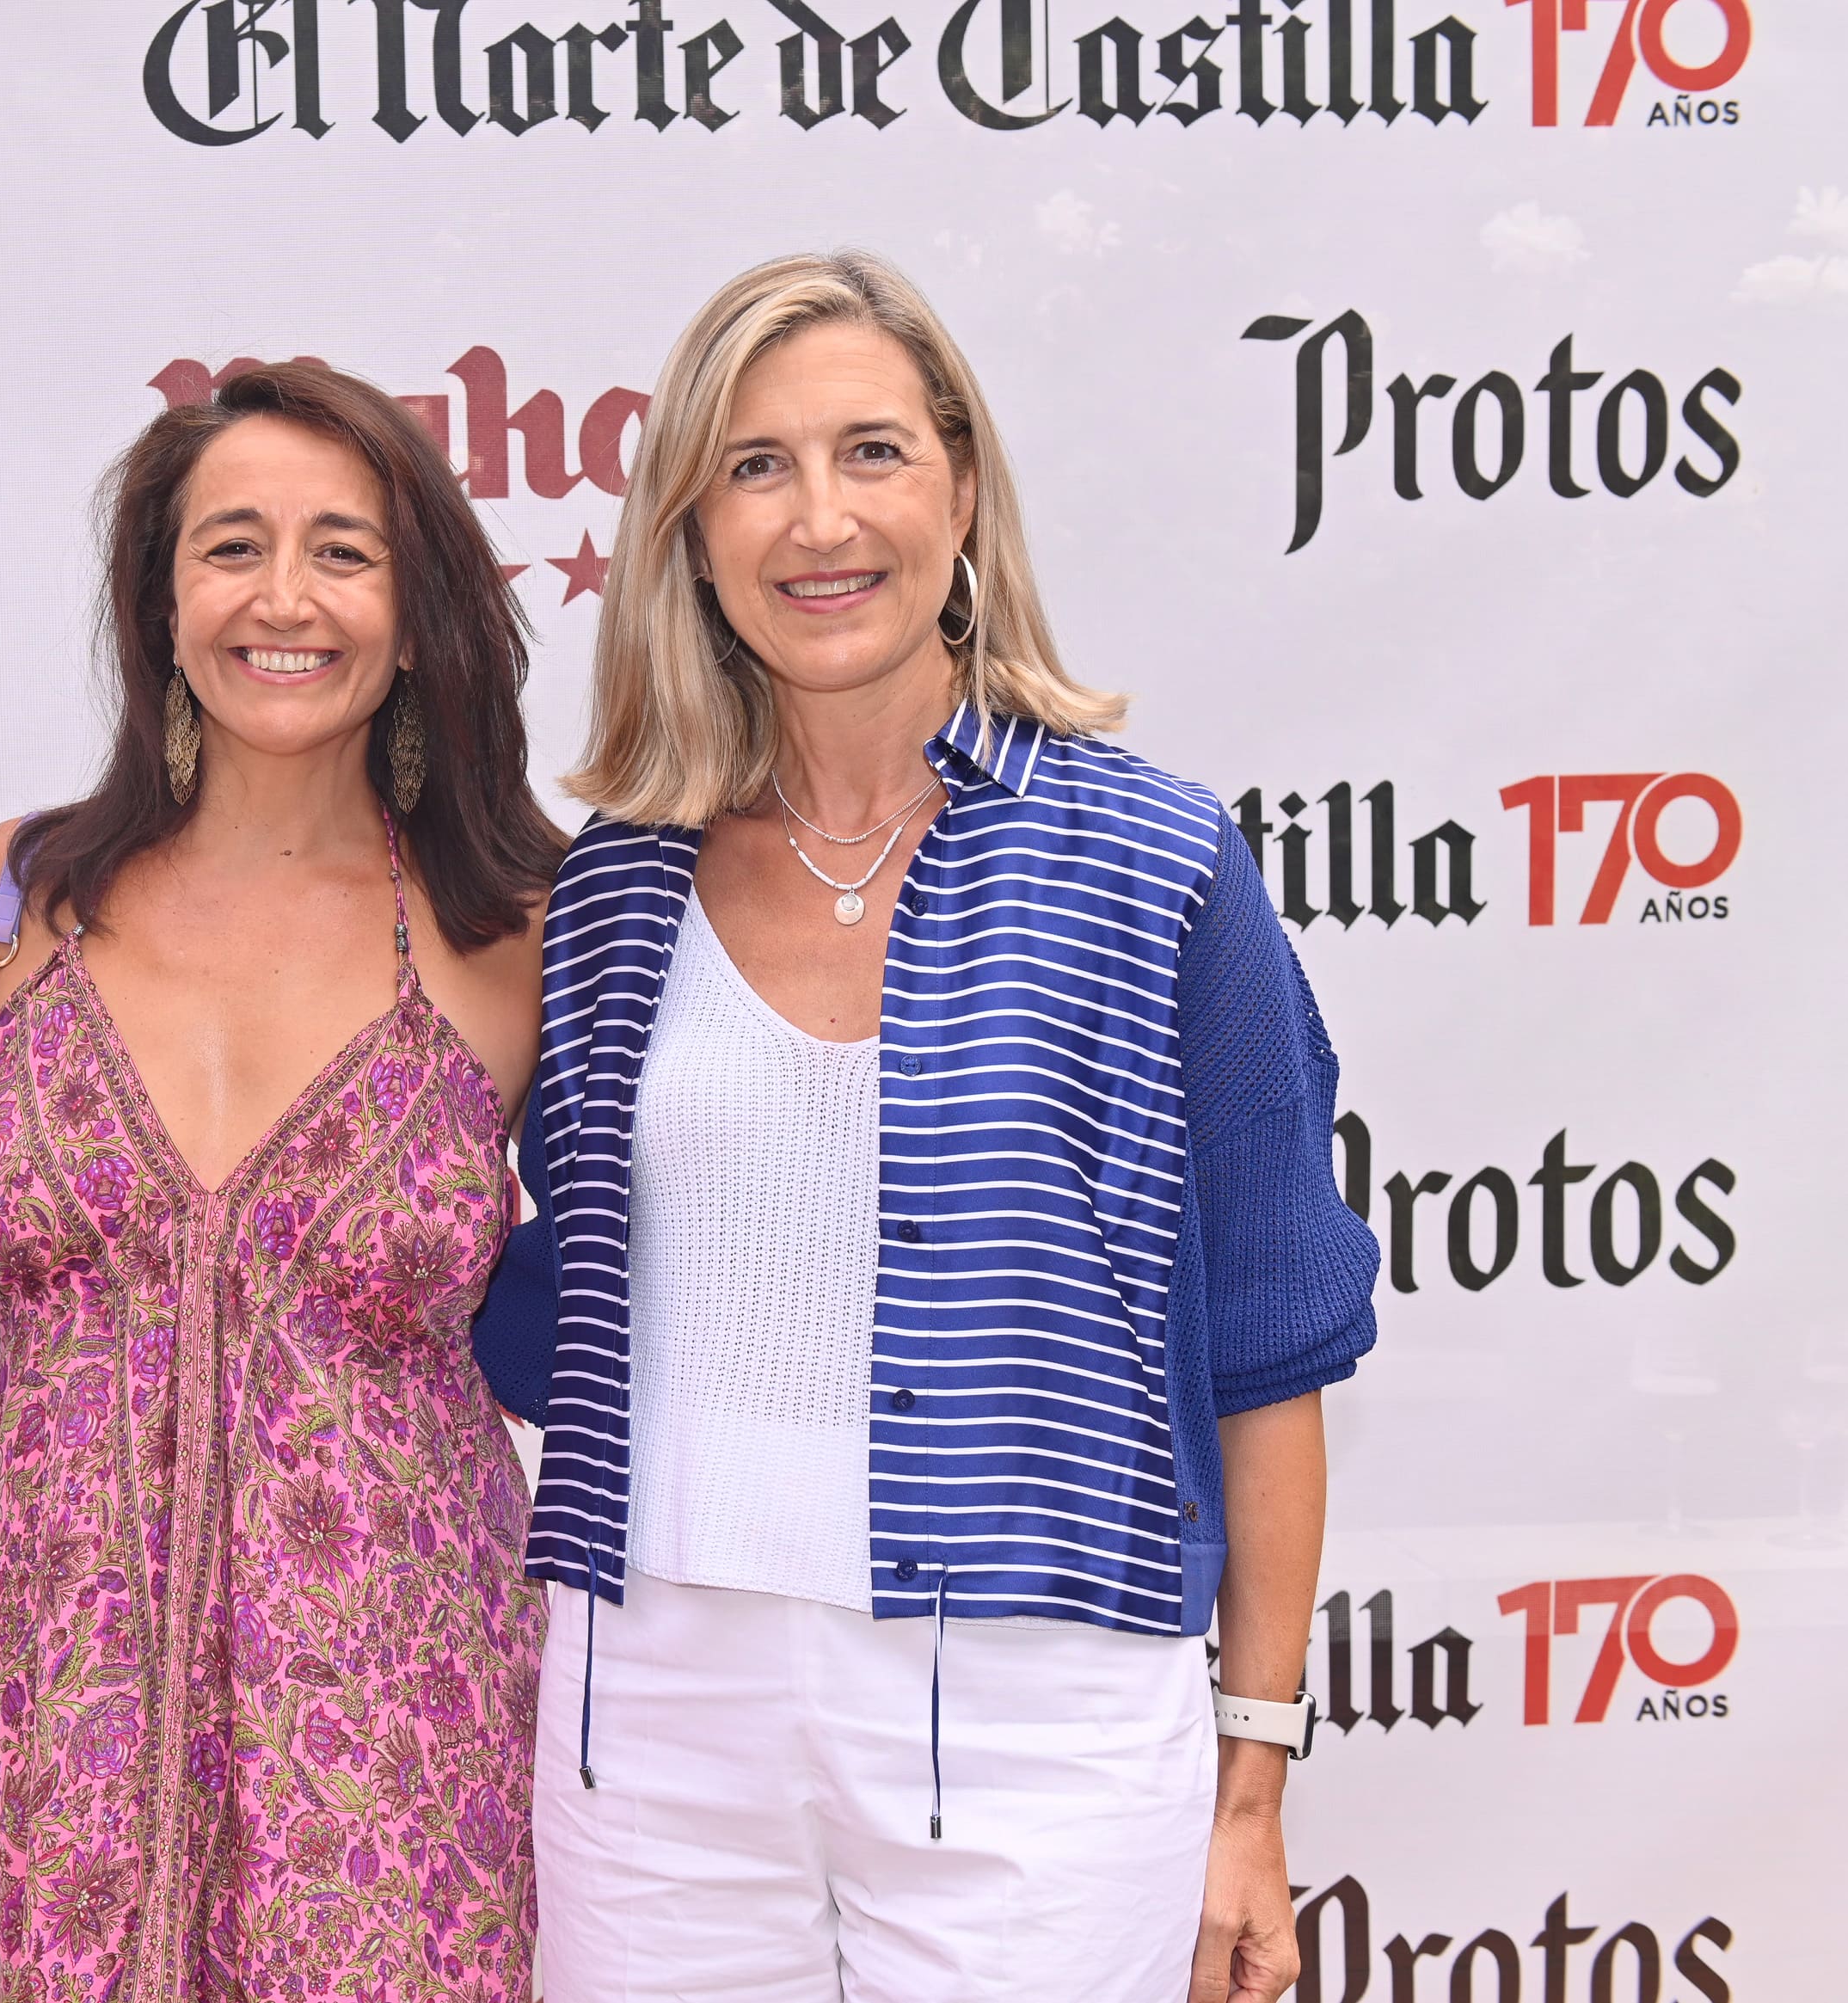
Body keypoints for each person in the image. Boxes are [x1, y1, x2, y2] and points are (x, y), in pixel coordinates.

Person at [470, 249, 1380, 2003]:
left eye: (871, 451)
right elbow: (535, 1296)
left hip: (1039, 1723)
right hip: (645, 1714)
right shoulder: (606, 896)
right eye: (755, 466)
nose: (819, 518)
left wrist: (1248, 1786)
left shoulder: (1155, 865)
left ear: (961, 486)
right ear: (687, 530)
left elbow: (1272, 1347)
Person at [0, 362, 566, 2001]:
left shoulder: (521, 927)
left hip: (396, 1740)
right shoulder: (20, 895)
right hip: (51, 1715)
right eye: (231, 548)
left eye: (343, 552)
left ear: (418, 613)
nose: (285, 599)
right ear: (157, 604)